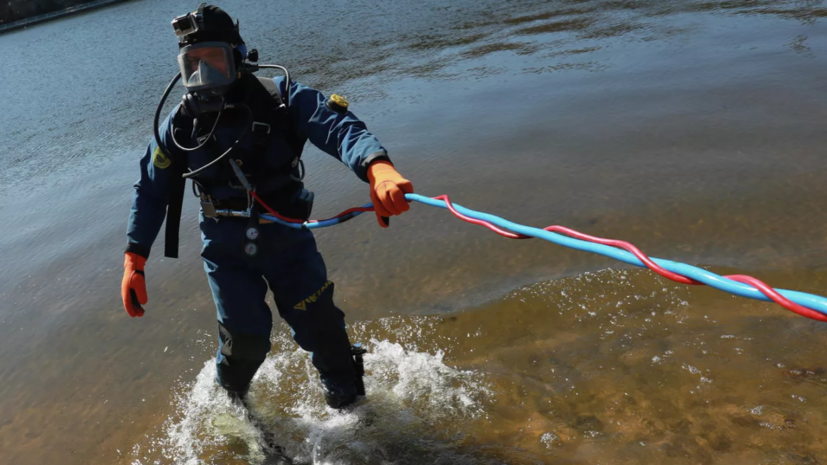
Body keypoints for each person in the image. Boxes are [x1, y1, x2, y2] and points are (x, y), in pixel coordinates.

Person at [120, 4, 414, 409]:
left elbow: (339, 127)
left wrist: (377, 169)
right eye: (193, 64)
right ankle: (232, 407)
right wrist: (135, 258)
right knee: (245, 341)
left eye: (214, 61)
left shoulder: (279, 98)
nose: (204, 76)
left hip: (288, 238)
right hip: (225, 249)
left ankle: (354, 411)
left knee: (323, 330)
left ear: (238, 56)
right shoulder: (180, 124)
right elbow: (151, 189)